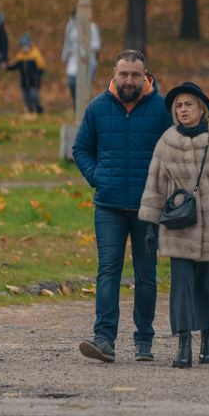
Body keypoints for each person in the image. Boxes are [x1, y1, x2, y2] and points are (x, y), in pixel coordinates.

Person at [139, 81, 209, 369]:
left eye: (188, 104)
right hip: (178, 227)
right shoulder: (167, 142)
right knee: (182, 287)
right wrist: (151, 227)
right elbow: (154, 185)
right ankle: (184, 345)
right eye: (178, 105)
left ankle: (208, 339)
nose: (182, 109)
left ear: (202, 108)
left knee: (207, 286)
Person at [73, 49, 173, 363]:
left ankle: (144, 340)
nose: (129, 80)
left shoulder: (161, 108)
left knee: (146, 275)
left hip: (148, 208)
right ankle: (104, 339)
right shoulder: (98, 108)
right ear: (114, 74)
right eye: (123, 74)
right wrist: (96, 177)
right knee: (108, 272)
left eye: (135, 74)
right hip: (109, 206)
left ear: (145, 76)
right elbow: (81, 149)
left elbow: (175, 151)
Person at [61, 14, 101, 110]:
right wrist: (64, 56)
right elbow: (67, 42)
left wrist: (85, 46)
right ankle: (77, 104)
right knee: (72, 81)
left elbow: (96, 44)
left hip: (88, 60)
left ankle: (88, 107)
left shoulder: (92, 27)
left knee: (85, 85)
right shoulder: (71, 26)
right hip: (74, 59)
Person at [5, 32, 45, 114]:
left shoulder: (36, 55)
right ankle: (30, 109)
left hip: (34, 81)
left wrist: (37, 77)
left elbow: (41, 68)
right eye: (22, 47)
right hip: (24, 81)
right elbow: (15, 65)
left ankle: (38, 108)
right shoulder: (20, 56)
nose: (24, 48)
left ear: (30, 45)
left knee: (34, 95)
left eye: (26, 46)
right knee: (26, 97)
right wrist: (7, 67)